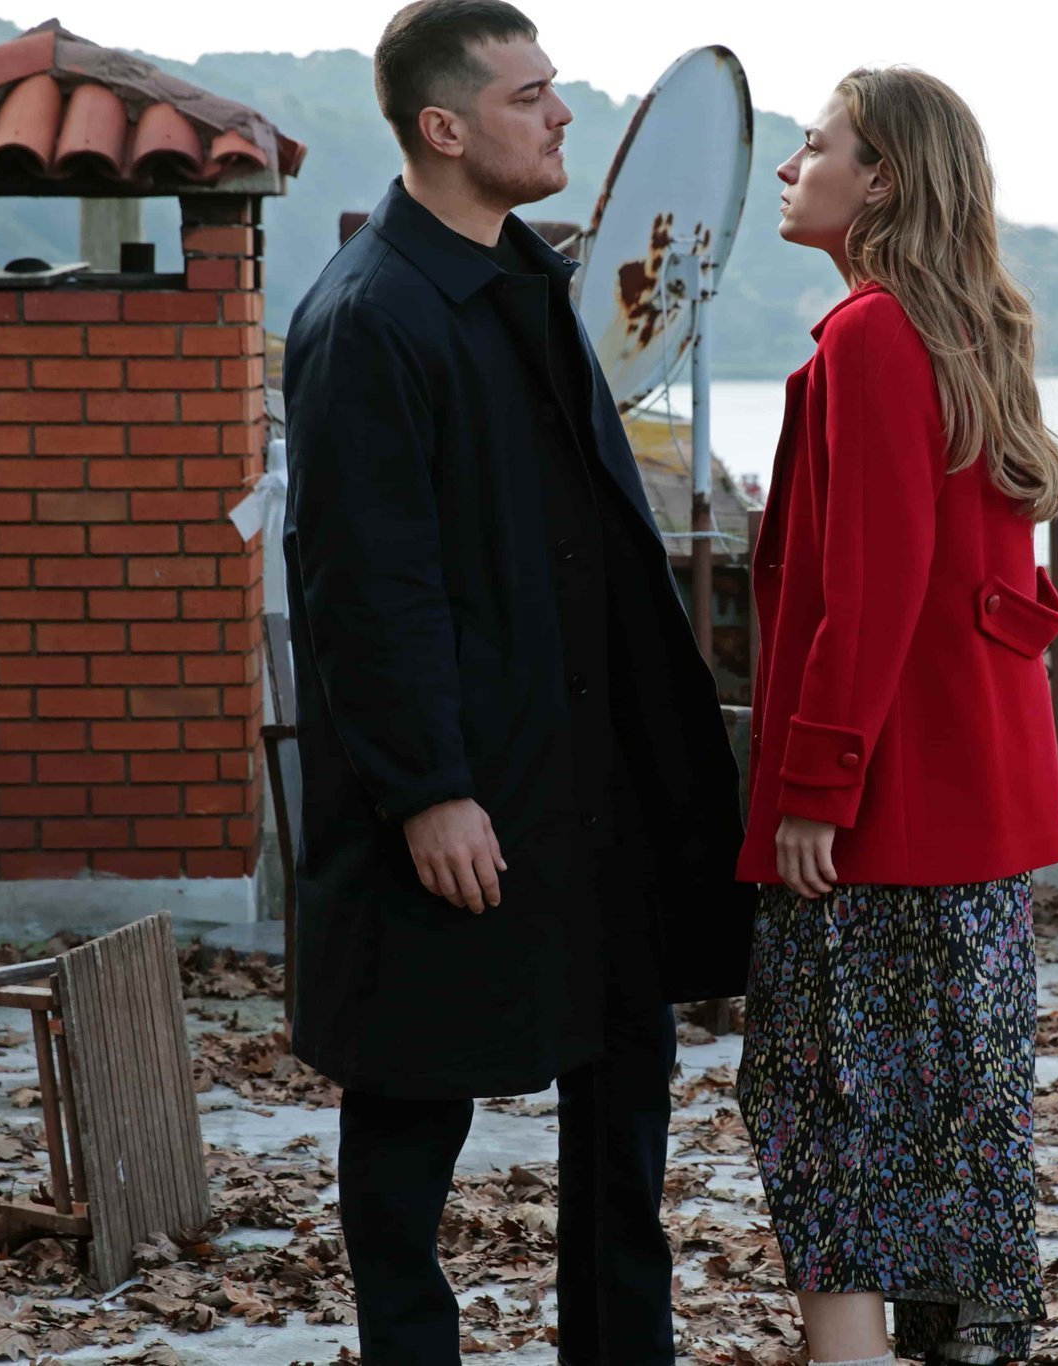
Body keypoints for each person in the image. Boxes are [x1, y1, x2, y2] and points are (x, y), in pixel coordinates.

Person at [280, 2, 753, 1362]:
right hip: (465, 800)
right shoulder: (369, 316)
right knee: (410, 1118)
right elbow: (367, 588)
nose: (561, 115)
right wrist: (429, 790)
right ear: (443, 128)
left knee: (623, 1118)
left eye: (554, 88)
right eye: (527, 96)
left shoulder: (532, 283)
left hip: (588, 787)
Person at [735, 66, 1058, 1366]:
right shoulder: (963, 331)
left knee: (823, 1102)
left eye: (814, 146)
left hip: (887, 812)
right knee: (955, 1111)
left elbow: (868, 590)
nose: (789, 168)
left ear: (879, 179)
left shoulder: (875, 336)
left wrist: (816, 787)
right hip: (967, 808)